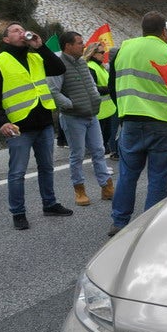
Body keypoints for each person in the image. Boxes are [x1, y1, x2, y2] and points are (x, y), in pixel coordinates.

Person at [0, 22, 73, 229]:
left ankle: (49, 204)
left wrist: (40, 46)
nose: (21, 32)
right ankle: (18, 212)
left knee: (47, 167)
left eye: (22, 29)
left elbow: (59, 68)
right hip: (18, 126)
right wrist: (1, 122)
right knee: (17, 172)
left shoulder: (36, 56)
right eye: (15, 30)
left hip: (43, 123)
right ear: (6, 39)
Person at [107, 11, 167, 237]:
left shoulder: (124, 50)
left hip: (130, 120)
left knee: (128, 175)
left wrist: (123, 112)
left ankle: (119, 222)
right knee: (158, 177)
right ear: (164, 31)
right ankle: (148, 228)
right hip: (163, 122)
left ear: (142, 30)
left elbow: (113, 86)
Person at [48, 32, 114, 206]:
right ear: (68, 46)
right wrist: (69, 104)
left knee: (99, 151)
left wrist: (95, 98)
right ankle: (79, 190)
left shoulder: (82, 62)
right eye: (79, 43)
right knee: (77, 155)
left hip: (91, 114)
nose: (83, 46)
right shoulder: (58, 65)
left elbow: (91, 85)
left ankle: (106, 187)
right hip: (73, 117)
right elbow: (53, 91)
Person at [84, 42, 118, 158]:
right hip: (99, 111)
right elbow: (92, 88)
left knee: (105, 138)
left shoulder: (100, 67)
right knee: (99, 142)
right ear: (93, 54)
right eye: (102, 52)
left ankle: (101, 164)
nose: (104, 55)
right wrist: (110, 89)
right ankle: (98, 165)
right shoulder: (90, 67)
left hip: (108, 110)